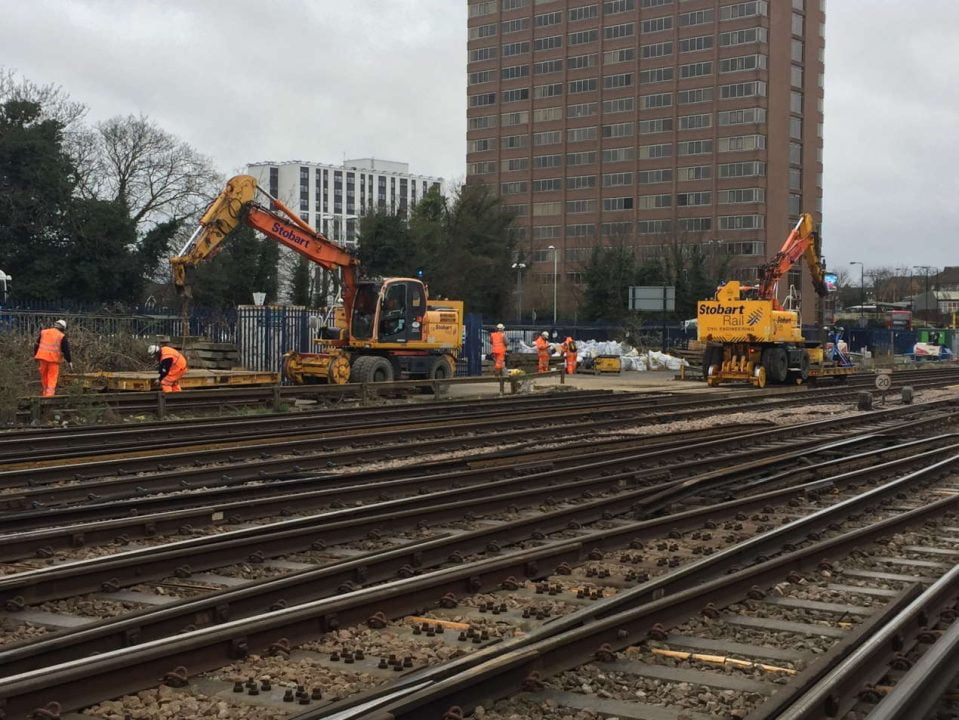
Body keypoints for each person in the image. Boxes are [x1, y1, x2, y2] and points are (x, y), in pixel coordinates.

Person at [34, 319, 72, 397]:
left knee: (44, 376)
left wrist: (35, 355)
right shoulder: (61, 336)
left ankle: (44, 393)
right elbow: (66, 350)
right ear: (63, 328)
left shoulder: (44, 332)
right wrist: (69, 361)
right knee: (52, 378)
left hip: (42, 358)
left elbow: (37, 344)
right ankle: (49, 396)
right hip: (53, 360)